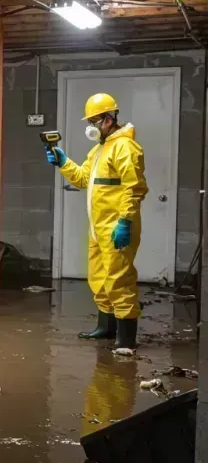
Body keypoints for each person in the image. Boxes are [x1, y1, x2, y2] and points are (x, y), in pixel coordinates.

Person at [47, 93, 148, 350]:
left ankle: (126, 339)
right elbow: (82, 179)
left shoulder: (126, 147)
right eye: (89, 120)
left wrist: (125, 221)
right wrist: (63, 161)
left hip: (117, 226)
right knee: (99, 278)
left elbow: (134, 188)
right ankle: (106, 327)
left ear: (110, 118)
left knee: (119, 280)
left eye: (95, 120)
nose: (91, 125)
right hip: (97, 227)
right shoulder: (99, 149)